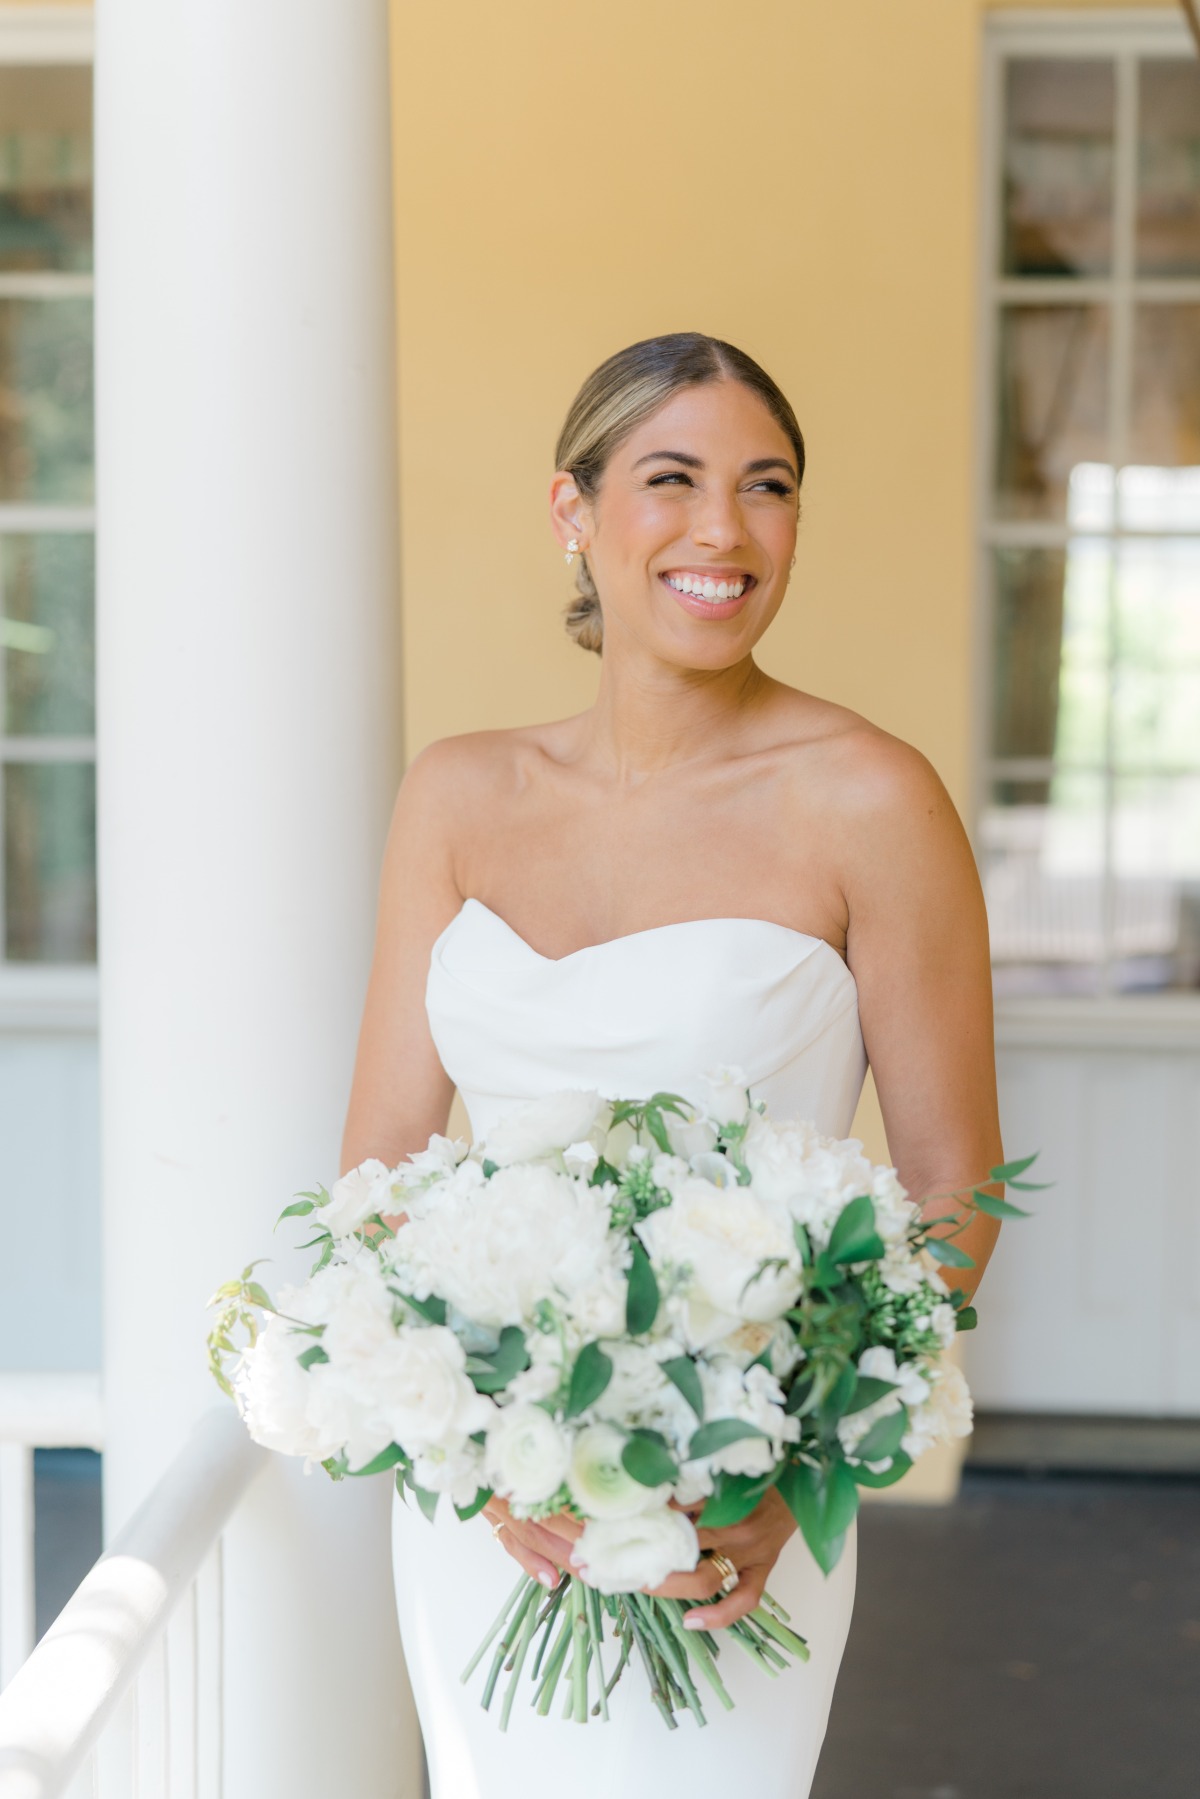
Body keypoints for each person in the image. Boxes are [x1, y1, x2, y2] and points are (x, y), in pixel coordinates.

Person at [341, 332, 1003, 1798]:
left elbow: (957, 1187)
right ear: (573, 511)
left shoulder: (871, 801)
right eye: (673, 479)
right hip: (491, 1507)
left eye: (767, 487)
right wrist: (472, 1450)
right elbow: (381, 1168)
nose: (724, 529)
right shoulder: (455, 795)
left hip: (736, 1499)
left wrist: (797, 1476)